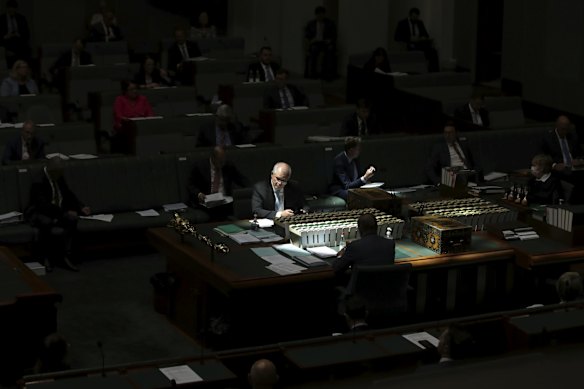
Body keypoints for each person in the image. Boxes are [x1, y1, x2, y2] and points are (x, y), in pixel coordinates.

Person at [26, 157, 91, 272]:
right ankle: (45, 257)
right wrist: (64, 213)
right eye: (59, 173)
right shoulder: (38, 180)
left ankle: (65, 256)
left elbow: (68, 193)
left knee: (72, 219)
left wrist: (81, 207)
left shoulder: (58, 175)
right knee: (46, 221)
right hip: (40, 212)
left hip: (57, 211)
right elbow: (43, 205)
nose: (61, 175)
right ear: (52, 171)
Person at [188, 146, 249, 221]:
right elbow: (190, 185)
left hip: (225, 200)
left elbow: (242, 180)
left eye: (224, 160)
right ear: (213, 158)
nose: (222, 164)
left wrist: (252, 190)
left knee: (240, 207)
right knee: (218, 212)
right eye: (220, 161)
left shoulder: (228, 166)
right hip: (207, 201)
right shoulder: (200, 166)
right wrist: (199, 194)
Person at [394, 7, 439, 72]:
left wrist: (423, 37)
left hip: (420, 44)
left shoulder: (420, 23)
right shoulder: (402, 23)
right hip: (409, 44)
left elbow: (426, 35)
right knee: (416, 51)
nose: (415, 19)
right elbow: (396, 37)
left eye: (416, 17)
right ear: (410, 15)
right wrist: (410, 38)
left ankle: (433, 72)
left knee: (433, 51)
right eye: (413, 17)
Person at [304, 6, 337, 80]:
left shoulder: (329, 23)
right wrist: (311, 40)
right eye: (318, 14)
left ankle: (328, 74)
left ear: (324, 15)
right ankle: (312, 74)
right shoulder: (311, 24)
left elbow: (334, 34)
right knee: (314, 50)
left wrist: (330, 40)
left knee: (330, 50)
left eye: (322, 14)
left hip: (325, 43)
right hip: (315, 43)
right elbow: (307, 35)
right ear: (316, 15)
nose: (320, 16)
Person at [0, 0, 30, 67]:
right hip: (6, 42)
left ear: (16, 9)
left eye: (13, 9)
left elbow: (26, 34)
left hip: (19, 41)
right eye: (10, 9)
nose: (11, 11)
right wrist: (5, 36)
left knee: (26, 50)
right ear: (7, 8)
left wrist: (18, 34)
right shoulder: (1, 19)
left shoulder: (21, 18)